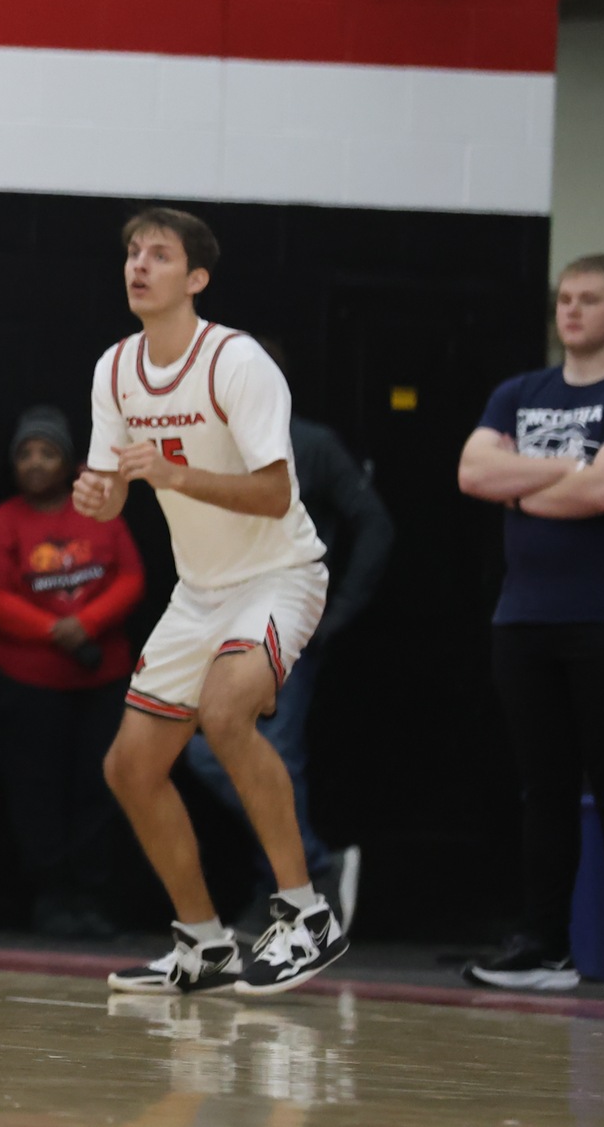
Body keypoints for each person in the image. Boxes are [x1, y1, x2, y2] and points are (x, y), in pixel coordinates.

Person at [73, 206, 344, 996]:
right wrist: (98, 494)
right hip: (199, 591)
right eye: (130, 251)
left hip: (279, 572)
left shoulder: (236, 360)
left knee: (226, 715)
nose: (138, 264)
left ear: (195, 278)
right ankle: (203, 940)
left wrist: (170, 472)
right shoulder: (115, 368)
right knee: (129, 766)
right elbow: (109, 490)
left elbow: (273, 491)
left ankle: (305, 913)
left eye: (158, 254)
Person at [457, 254, 604, 997]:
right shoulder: (518, 392)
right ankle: (543, 945)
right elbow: (471, 473)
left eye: (588, 299)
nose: (570, 310)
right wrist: (564, 480)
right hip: (524, 617)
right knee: (542, 788)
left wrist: (523, 481)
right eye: (563, 298)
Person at [184, 341, 392, 936]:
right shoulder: (209, 450)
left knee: (259, 752)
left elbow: (374, 523)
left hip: (284, 618)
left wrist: (339, 611)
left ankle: (305, 874)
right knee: (227, 753)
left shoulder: (312, 443)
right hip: (223, 622)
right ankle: (294, 877)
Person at [0, 405, 144, 940]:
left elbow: (131, 577)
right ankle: (51, 898)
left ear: (70, 462)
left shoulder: (100, 513)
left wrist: (86, 623)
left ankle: (90, 898)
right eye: (26, 454)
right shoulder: (4, 522)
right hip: (24, 685)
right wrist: (54, 631)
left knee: (97, 790)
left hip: (100, 682)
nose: (37, 463)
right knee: (36, 793)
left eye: (48, 453)